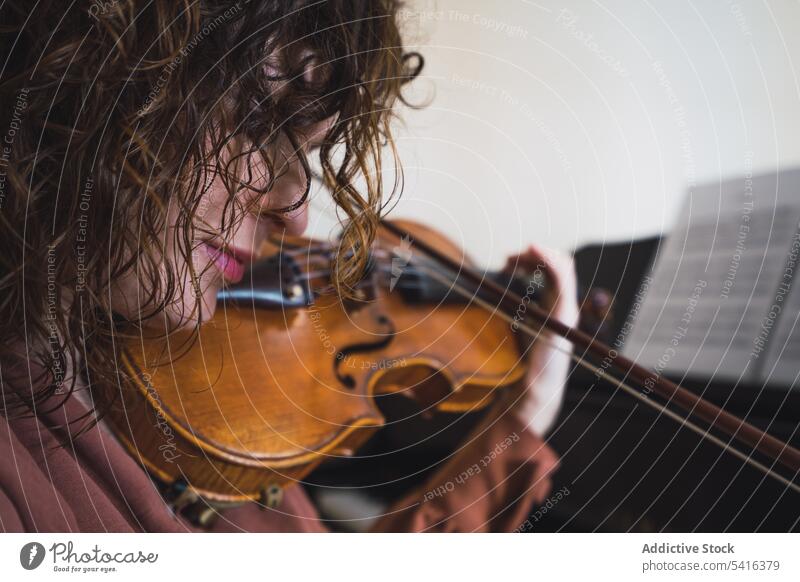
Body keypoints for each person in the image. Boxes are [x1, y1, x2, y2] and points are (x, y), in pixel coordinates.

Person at [0, 0, 578, 532]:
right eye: (258, 118)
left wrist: (524, 414)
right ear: (91, 74)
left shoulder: (191, 383)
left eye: (304, 149)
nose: (296, 214)